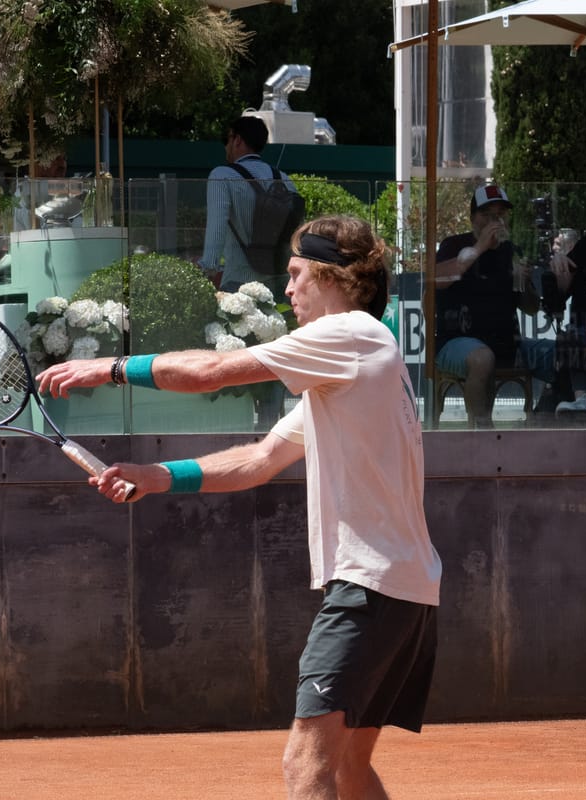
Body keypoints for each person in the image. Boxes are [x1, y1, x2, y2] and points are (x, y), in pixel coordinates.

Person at [37, 214, 442, 800]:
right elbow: (260, 459)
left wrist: (112, 366)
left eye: (297, 274)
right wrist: (156, 477)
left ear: (333, 277)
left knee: (306, 767)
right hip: (405, 590)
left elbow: (213, 372)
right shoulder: (356, 364)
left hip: (370, 588)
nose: (288, 289)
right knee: (349, 769)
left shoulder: (350, 334)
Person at [434, 184, 554, 428]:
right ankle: (482, 434)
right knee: (482, 359)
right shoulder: (455, 244)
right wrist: (480, 248)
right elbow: (436, 280)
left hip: (508, 344)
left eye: (500, 215)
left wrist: (525, 283)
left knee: (564, 353)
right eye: (487, 215)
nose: (495, 221)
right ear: (472, 219)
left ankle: (546, 421)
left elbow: (530, 308)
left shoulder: (512, 251)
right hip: (456, 343)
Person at [198, 115, 299, 299]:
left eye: (227, 139)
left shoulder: (222, 175)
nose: (225, 146)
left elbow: (217, 227)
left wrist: (206, 269)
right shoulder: (284, 179)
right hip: (279, 284)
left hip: (238, 284)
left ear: (237, 140)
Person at [549, 230, 586, 415]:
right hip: (585, 325)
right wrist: (558, 264)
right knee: (571, 337)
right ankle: (581, 399)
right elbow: (562, 287)